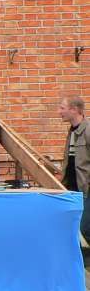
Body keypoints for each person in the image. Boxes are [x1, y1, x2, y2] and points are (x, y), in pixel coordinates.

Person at [58, 97, 89, 240]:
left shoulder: (88, 130)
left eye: (62, 108)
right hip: (72, 190)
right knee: (74, 228)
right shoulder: (72, 132)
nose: (59, 112)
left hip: (86, 190)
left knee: (85, 229)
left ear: (74, 110)